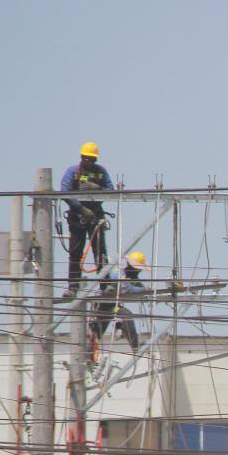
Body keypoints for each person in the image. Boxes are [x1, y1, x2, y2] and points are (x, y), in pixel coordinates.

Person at [60, 141, 113, 299]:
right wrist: (81, 209)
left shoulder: (101, 172)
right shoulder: (72, 172)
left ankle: (106, 284)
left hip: (96, 217)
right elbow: (65, 192)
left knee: (100, 252)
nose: (89, 162)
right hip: (78, 218)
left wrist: (98, 189)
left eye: (92, 159)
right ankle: (73, 286)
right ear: (82, 157)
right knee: (76, 253)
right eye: (87, 158)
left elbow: (111, 190)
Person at [88, 251, 148, 356]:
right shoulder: (118, 273)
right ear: (131, 266)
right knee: (96, 333)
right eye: (137, 269)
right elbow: (127, 288)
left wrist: (146, 290)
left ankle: (134, 346)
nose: (138, 272)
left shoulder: (131, 277)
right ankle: (88, 353)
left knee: (126, 315)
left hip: (112, 307)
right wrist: (143, 290)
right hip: (101, 305)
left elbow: (136, 285)